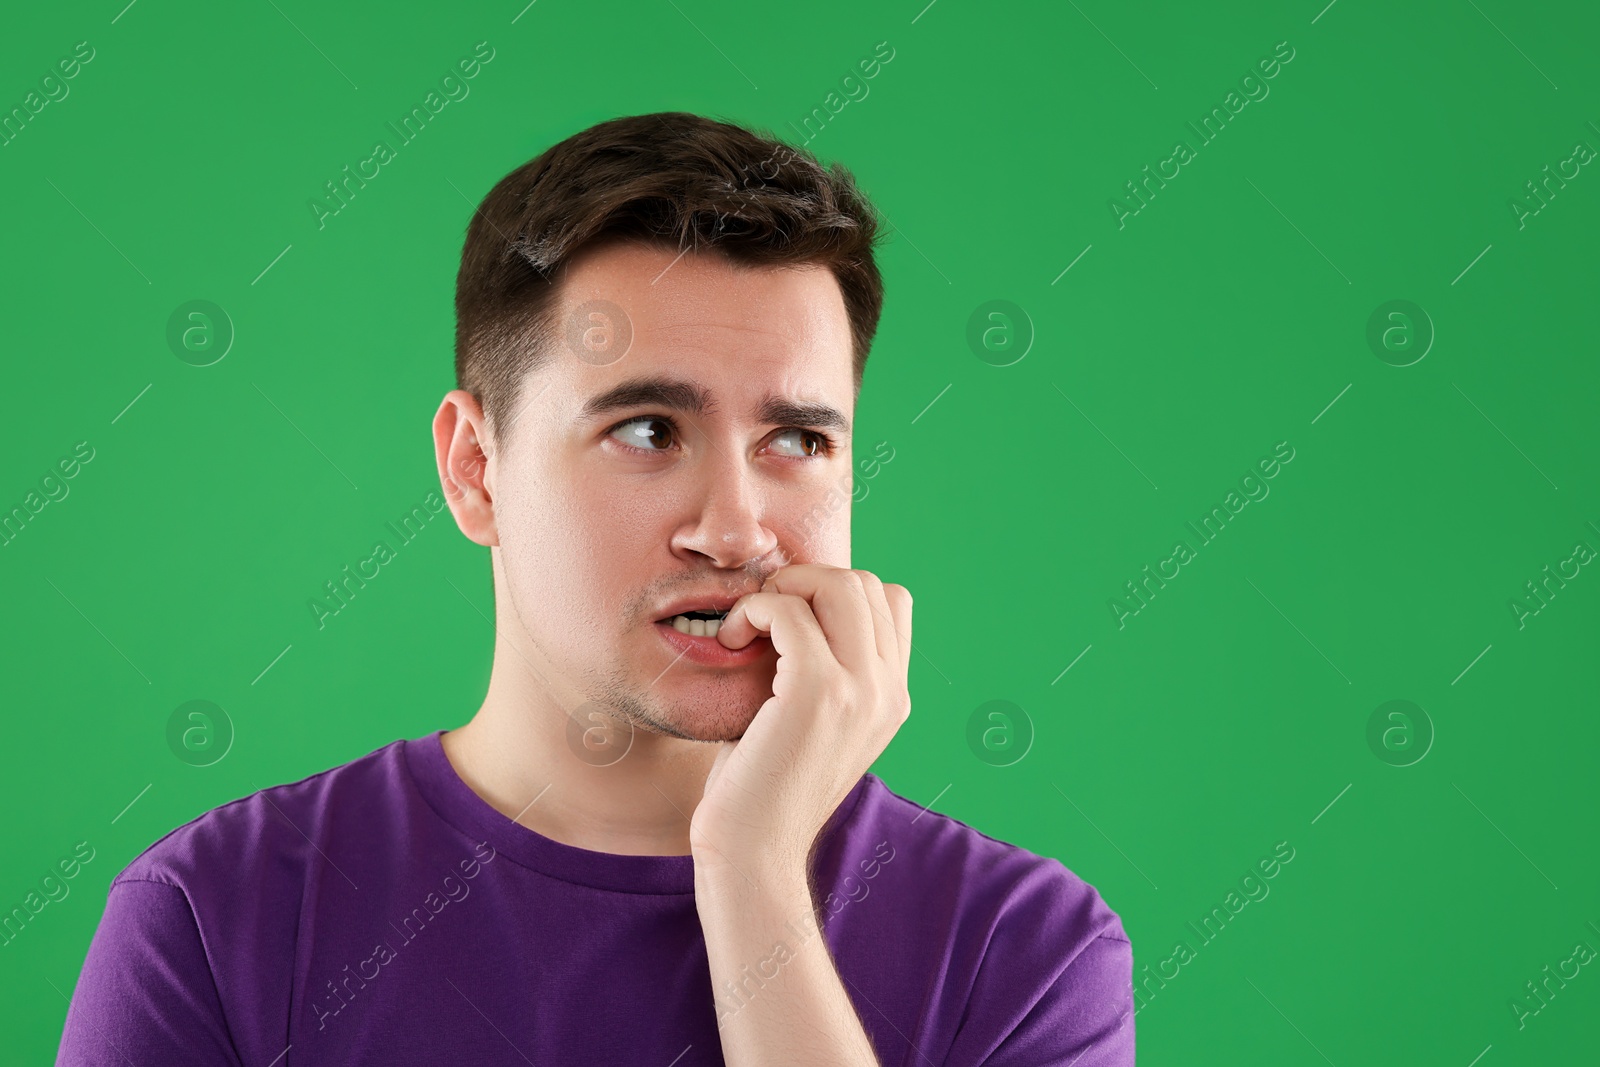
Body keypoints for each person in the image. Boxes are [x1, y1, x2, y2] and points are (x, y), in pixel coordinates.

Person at [56, 111, 1134, 1065]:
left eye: (798, 438)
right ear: (475, 468)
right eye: (647, 430)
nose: (733, 528)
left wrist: (754, 871)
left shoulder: (1023, 948)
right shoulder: (216, 916)